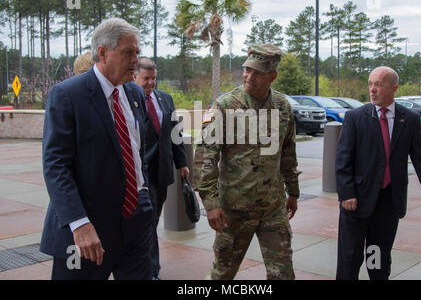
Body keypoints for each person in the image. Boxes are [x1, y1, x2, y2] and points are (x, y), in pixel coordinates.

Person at [40, 18, 154, 280]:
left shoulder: (135, 95)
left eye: (137, 52)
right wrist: (78, 223)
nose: (135, 60)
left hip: (136, 222)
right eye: (127, 52)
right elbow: (56, 165)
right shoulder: (67, 95)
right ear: (102, 52)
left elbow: (137, 153)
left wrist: (144, 197)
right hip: (87, 231)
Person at [194, 44, 300, 280]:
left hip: (273, 207)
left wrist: (293, 190)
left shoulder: (283, 107)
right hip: (234, 208)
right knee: (223, 272)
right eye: (246, 70)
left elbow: (288, 151)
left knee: (283, 273)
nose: (249, 77)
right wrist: (210, 204)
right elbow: (205, 156)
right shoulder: (224, 106)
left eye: (257, 72)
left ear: (273, 76)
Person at [335, 66, 421, 280]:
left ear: (394, 88)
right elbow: (342, 159)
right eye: (370, 84)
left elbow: (420, 157)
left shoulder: (409, 119)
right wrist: (347, 194)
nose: (372, 90)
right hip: (357, 201)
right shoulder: (355, 117)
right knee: (349, 259)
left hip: (387, 203)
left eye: (378, 85)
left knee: (378, 259)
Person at [134, 58, 189, 280]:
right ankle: (151, 270)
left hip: (162, 172)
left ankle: (147, 266)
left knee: (153, 220)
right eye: (146, 78)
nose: (150, 83)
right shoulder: (128, 100)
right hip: (141, 175)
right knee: (147, 223)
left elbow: (176, 134)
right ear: (135, 77)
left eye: (154, 78)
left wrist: (182, 163)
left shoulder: (165, 99)